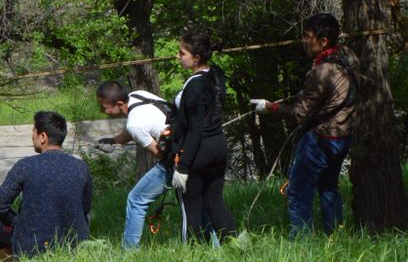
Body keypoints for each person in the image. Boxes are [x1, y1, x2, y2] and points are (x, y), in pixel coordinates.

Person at [251, 13, 358, 237]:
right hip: (343, 138)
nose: (304, 41)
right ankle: (335, 238)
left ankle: (301, 244)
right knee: (329, 188)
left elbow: (300, 114)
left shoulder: (321, 72)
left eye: (308, 37)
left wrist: (270, 108)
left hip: (320, 140)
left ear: (323, 41)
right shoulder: (348, 57)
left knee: (298, 192)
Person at [0, 110, 93, 261]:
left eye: (33, 132)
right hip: (72, 246)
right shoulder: (81, 167)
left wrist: (15, 222)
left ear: (43, 137)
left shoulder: (25, 166)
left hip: (31, 246)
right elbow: (85, 208)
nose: (32, 136)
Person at [170, 33, 237, 242]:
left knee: (191, 209)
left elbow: (196, 129)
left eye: (182, 53)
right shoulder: (216, 74)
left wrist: (183, 167)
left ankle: (192, 255)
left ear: (196, 58)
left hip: (199, 151)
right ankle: (236, 248)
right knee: (214, 202)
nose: (178, 56)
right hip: (218, 146)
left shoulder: (195, 85)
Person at [95, 81, 174, 248]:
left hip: (176, 160)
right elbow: (135, 128)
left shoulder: (134, 124)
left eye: (104, 107)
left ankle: (130, 251)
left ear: (119, 104)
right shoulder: (138, 95)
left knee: (136, 199)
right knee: (194, 205)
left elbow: (159, 154)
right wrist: (114, 140)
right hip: (192, 147)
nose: (102, 111)